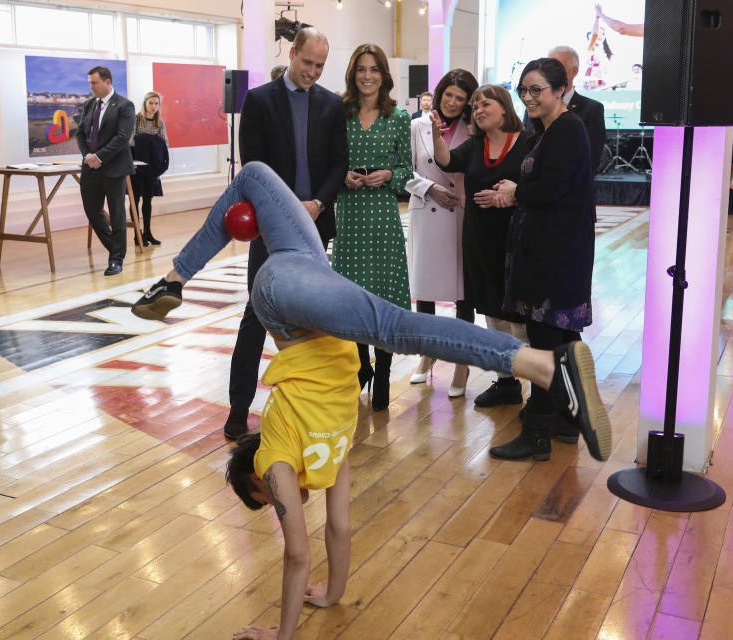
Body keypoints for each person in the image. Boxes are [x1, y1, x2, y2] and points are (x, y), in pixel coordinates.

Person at [130, 161, 611, 640]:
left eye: (263, 500)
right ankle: (172, 282)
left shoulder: (276, 459)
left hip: (284, 302)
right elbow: (338, 528)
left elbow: (297, 553)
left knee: (395, 328)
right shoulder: (328, 452)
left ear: (258, 478)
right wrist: (333, 593)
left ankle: (547, 366)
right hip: (306, 267)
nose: (280, 504)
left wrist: (280, 636)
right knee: (253, 176)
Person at [223, 27, 348, 439]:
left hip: (315, 225)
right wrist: (282, 211)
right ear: (292, 53)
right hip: (270, 228)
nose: (312, 71)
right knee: (256, 312)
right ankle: (239, 408)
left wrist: (317, 204)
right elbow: (253, 166)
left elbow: (337, 164)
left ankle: (308, 403)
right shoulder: (258, 100)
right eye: (306, 62)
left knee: (310, 313)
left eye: (319, 65)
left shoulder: (332, 105)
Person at [490, 58, 597, 460]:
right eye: (524, 90)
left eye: (537, 90)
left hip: (556, 252)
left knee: (545, 342)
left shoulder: (567, 128)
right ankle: (566, 423)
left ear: (560, 89)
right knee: (561, 341)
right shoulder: (551, 129)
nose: (530, 98)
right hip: (555, 248)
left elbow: (551, 189)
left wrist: (517, 190)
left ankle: (537, 432)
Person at [430, 84, 532, 408]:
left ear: (504, 108)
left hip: (516, 242)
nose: (477, 110)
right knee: (490, 310)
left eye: (484, 104)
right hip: (479, 240)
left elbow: (537, 186)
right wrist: (435, 134)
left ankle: (544, 386)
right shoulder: (475, 144)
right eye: (474, 107)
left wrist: (511, 194)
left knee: (521, 316)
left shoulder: (529, 142)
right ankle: (506, 381)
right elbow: (446, 161)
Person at [333, 43, 413, 411]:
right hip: (349, 213)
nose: (367, 76)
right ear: (353, 74)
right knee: (351, 295)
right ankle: (361, 365)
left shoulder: (398, 117)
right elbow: (328, 165)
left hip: (382, 214)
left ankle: (383, 371)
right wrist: (341, 177)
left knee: (382, 294)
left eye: (374, 70)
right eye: (362, 69)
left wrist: (388, 174)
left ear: (384, 75)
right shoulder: (340, 114)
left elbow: (407, 173)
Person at [405, 68, 478, 397]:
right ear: (438, 93)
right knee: (426, 291)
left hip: (461, 215)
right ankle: (427, 353)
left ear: (467, 103)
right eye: (447, 94)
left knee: (463, 292)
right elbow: (403, 171)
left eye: (459, 98)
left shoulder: (474, 128)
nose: (451, 102)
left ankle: (462, 363)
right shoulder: (417, 125)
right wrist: (429, 188)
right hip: (428, 212)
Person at [75, 65, 135, 277]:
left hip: (114, 168)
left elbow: (122, 137)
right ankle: (116, 249)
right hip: (90, 167)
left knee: (117, 215)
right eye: (90, 82)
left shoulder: (125, 106)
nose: (91, 86)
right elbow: (81, 134)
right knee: (92, 211)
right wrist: (87, 157)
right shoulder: (90, 104)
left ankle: (116, 260)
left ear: (107, 82)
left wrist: (99, 157)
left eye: (94, 82)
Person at [524, 46, 606, 178]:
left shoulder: (592, 109)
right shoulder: (533, 106)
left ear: (574, 72)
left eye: (555, 67)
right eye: (545, 68)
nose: (546, 73)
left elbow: (590, 161)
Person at [129, 91, 169, 246]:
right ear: (145, 103)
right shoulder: (136, 119)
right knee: (135, 200)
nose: (154, 106)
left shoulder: (160, 123)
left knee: (148, 201)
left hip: (151, 168)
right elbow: (130, 142)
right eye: (151, 103)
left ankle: (148, 233)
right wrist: (150, 141)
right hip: (137, 167)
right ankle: (137, 234)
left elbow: (165, 143)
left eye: (156, 103)